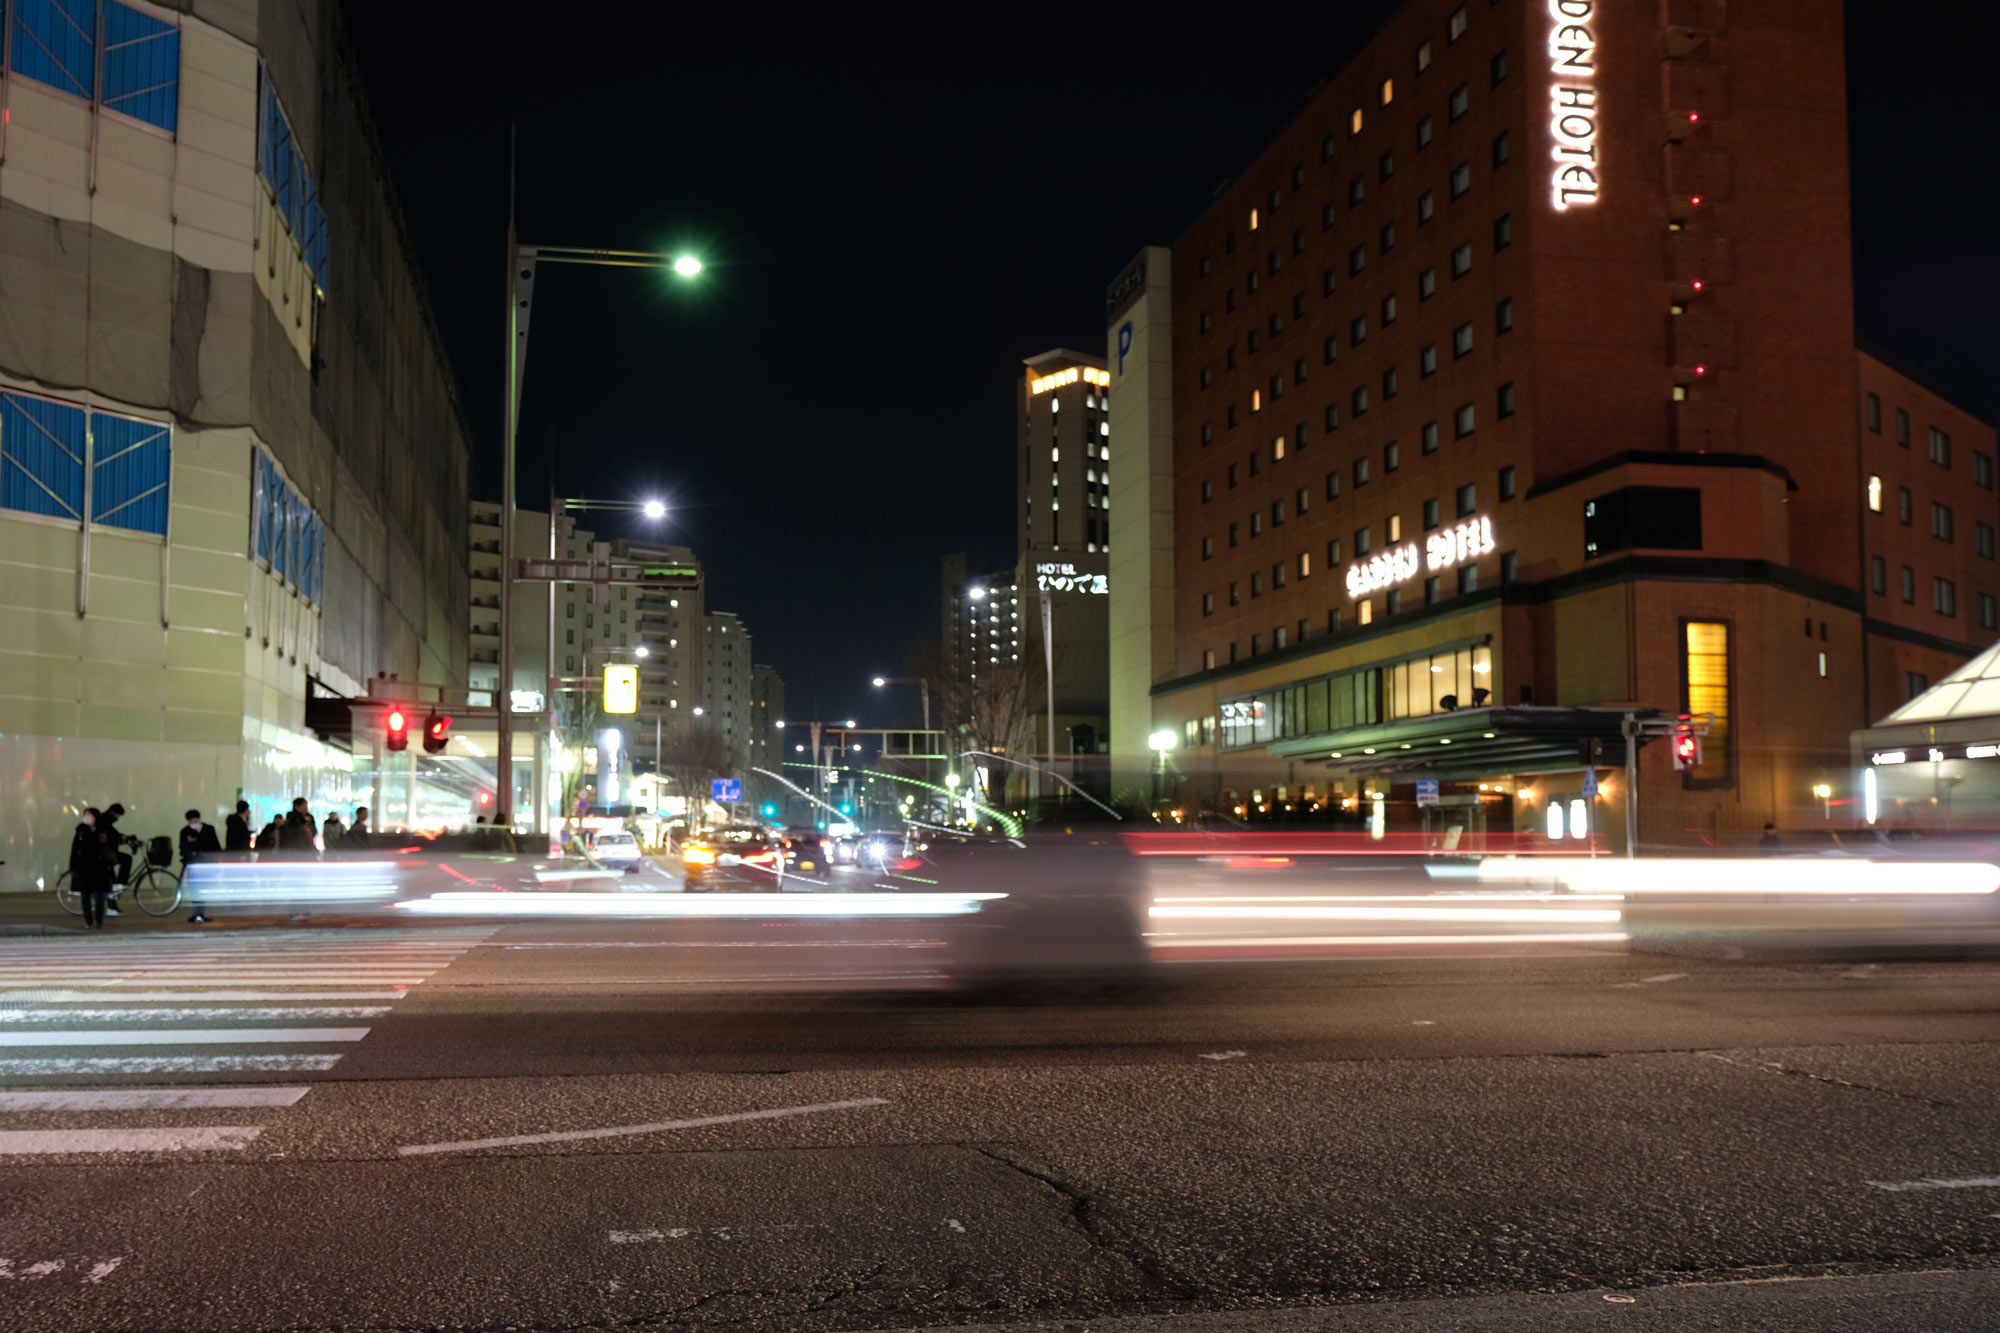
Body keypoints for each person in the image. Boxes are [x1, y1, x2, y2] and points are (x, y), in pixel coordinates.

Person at [68, 808, 115, 929]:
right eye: (85, 815)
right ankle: (88, 921)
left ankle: (98, 921)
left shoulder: (102, 830)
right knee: (85, 895)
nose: (87, 817)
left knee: (99, 895)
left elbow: (108, 846)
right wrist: (73, 867)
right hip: (84, 867)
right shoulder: (81, 831)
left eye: (89, 814)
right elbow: (74, 850)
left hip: (99, 867)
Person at [179, 809, 222, 923]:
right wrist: (190, 841)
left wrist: (217, 861)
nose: (194, 823)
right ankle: (198, 914)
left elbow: (215, 846)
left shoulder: (209, 829)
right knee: (194, 889)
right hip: (192, 864)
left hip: (206, 864)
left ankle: (199, 914)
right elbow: (183, 849)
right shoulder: (185, 832)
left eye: (195, 821)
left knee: (201, 889)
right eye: (192, 821)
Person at [99, 802, 132, 916]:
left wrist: (124, 838)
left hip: (108, 854)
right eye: (117, 815)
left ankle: (112, 906)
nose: (117, 818)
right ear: (113, 812)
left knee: (111, 880)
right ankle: (121, 883)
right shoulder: (104, 821)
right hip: (106, 855)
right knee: (127, 859)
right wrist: (124, 839)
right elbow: (113, 836)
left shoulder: (105, 820)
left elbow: (114, 834)